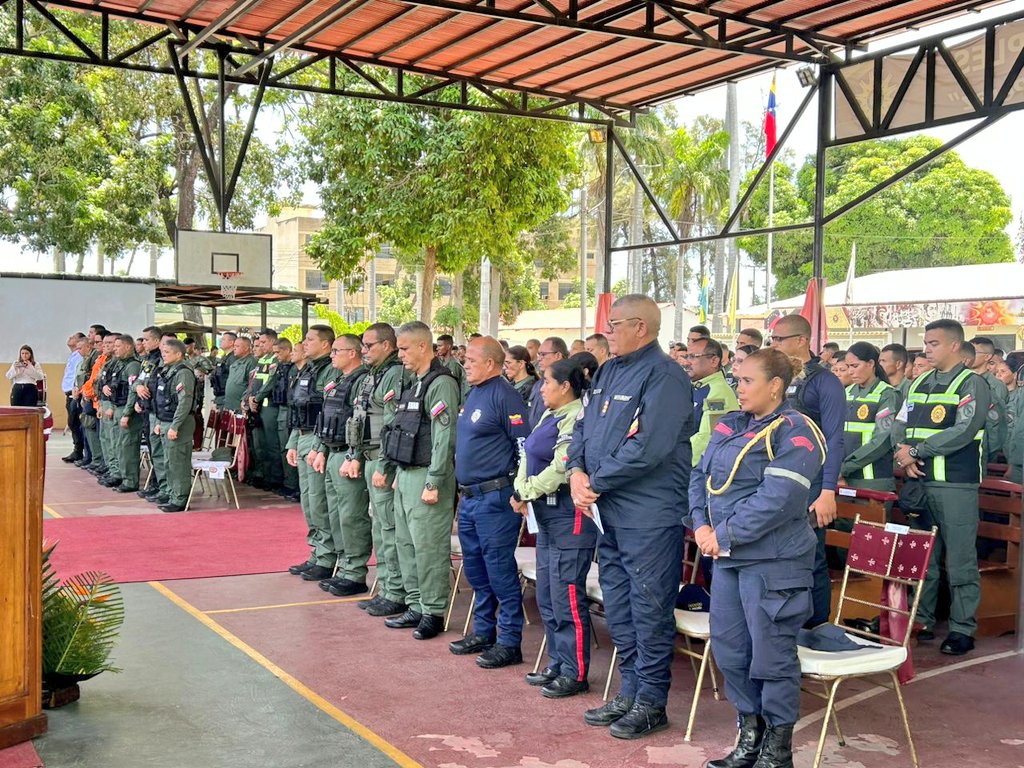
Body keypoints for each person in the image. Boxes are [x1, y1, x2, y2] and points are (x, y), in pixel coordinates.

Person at [690, 348, 826, 768]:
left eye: (747, 380)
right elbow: (700, 477)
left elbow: (778, 499)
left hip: (774, 563)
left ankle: (777, 750)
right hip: (728, 558)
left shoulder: (797, 431)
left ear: (775, 386)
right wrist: (700, 527)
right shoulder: (730, 425)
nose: (739, 388)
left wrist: (722, 535)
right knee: (732, 652)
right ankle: (749, 738)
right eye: (737, 380)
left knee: (772, 657)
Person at [567, 294, 694, 739]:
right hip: (609, 510)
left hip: (648, 513)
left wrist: (595, 481)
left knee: (649, 607)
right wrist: (576, 469)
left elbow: (650, 447)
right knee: (618, 605)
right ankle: (630, 689)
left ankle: (651, 701)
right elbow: (582, 427)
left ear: (641, 326)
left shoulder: (666, 377)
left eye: (614, 324)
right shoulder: (607, 370)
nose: (607, 332)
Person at [893, 319, 989, 656]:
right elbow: (899, 424)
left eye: (933, 343)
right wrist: (902, 453)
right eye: (926, 342)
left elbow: (964, 431)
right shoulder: (918, 382)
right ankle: (923, 619)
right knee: (923, 558)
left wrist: (917, 451)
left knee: (961, 559)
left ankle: (963, 629)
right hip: (919, 482)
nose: (926, 349)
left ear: (954, 346)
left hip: (955, 485)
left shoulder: (971, 384)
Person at [514, 359, 596, 697]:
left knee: (567, 597)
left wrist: (528, 490)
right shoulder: (550, 414)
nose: (541, 388)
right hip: (544, 515)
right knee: (547, 593)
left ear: (565, 386)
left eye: (546, 382)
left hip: (567, 515)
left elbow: (563, 466)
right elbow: (527, 454)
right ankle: (559, 662)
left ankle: (576, 671)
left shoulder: (577, 417)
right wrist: (520, 489)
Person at [450, 337, 532, 667]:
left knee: (499, 571)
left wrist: (518, 490)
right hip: (470, 498)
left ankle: (510, 641)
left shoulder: (505, 395)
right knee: (476, 570)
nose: (465, 364)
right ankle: (485, 631)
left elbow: (524, 446)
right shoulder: (476, 393)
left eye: (471, 360)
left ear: (490, 363)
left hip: (495, 498)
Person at [381, 321, 460, 640]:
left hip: (427, 475)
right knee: (406, 544)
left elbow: (445, 436)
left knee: (428, 548)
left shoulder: (441, 383)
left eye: (403, 348)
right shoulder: (414, 381)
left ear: (422, 347)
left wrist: (435, 480)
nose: (399, 355)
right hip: (406, 473)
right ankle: (415, 603)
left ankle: (433, 611)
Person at [769, 314, 845, 629]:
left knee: (810, 556)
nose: (773, 345)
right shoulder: (775, 377)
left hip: (811, 484)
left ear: (801, 340)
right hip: (775, 481)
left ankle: (816, 630)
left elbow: (835, 438)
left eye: (779, 340)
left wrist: (828, 491)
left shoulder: (824, 381)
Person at [350, 323, 410, 617]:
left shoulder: (395, 374)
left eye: (370, 345)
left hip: (383, 460)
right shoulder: (373, 375)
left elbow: (394, 425)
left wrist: (386, 464)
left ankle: (395, 591)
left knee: (388, 527)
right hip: (370, 456)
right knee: (379, 526)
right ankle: (387, 587)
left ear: (388, 345)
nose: (365, 350)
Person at [310, 334, 371, 597]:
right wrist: (321, 448)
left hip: (348, 455)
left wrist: (354, 455)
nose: (332, 355)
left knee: (351, 517)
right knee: (335, 515)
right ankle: (344, 567)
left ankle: (355, 572)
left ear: (353, 353)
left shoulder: (361, 380)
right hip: (333, 451)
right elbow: (327, 417)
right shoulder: (339, 380)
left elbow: (360, 421)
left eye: (337, 350)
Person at [286, 325, 339, 583]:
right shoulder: (308, 368)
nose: (304, 343)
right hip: (304, 435)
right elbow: (299, 410)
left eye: (310, 340)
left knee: (319, 502)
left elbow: (326, 411)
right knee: (308, 502)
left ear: (326, 345)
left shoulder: (330, 370)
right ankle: (317, 552)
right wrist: (294, 442)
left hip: (318, 440)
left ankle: (327, 556)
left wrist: (317, 446)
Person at [841, 342, 900, 495]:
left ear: (871, 363)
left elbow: (882, 439)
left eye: (855, 366)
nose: (850, 372)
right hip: (843, 478)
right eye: (848, 367)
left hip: (873, 480)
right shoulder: (846, 393)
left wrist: (846, 467)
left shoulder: (887, 394)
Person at [152, 338, 198, 513]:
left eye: (167, 352)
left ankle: (179, 498)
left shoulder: (183, 372)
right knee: (168, 461)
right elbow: (160, 399)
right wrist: (158, 422)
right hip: (166, 421)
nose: (163, 355)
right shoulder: (167, 370)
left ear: (178, 354)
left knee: (178, 462)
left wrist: (175, 426)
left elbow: (184, 402)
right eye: (163, 352)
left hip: (179, 423)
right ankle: (171, 493)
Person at [683, 337, 739, 465]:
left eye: (693, 357)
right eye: (687, 357)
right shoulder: (696, 387)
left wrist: (674, 460)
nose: (687, 362)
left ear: (714, 361)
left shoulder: (718, 392)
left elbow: (708, 437)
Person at [128, 326, 167, 502]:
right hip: (147, 409)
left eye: (146, 339)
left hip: (158, 411)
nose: (143, 342)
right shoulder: (147, 360)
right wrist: (138, 389)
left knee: (160, 452)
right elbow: (139, 381)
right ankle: (156, 483)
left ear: (157, 341)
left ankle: (162, 485)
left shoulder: (162, 359)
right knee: (154, 451)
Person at [105, 334, 143, 492]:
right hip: (117, 407)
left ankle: (130, 480)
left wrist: (127, 413)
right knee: (118, 445)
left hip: (127, 410)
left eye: (118, 346)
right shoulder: (118, 364)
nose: (115, 349)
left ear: (128, 346)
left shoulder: (132, 365)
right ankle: (121, 475)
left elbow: (132, 393)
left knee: (127, 446)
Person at [248, 330, 284, 492]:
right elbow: (253, 382)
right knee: (259, 445)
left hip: (269, 407)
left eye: (263, 342)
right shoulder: (262, 360)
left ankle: (275, 479)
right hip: (257, 407)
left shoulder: (276, 359)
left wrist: (256, 398)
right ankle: (262, 475)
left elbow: (271, 382)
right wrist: (247, 398)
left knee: (272, 445)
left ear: (272, 341)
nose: (260, 345)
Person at [968, 336, 1008, 461]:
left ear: (987, 357)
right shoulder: (965, 380)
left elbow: (997, 423)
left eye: (975, 352)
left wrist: (991, 451)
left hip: (985, 449)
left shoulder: (995, 385)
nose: (970, 355)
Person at [527, 337, 568, 429]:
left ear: (558, 355)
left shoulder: (566, 384)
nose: (539, 359)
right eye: (538, 354)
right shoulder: (538, 384)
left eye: (543, 354)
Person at [61, 334, 86, 463]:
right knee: (72, 422)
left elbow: (79, 375)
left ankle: (79, 450)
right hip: (69, 393)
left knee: (76, 423)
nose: (69, 337)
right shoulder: (73, 355)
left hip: (75, 393)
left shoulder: (80, 356)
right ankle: (77, 449)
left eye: (73, 337)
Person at [223, 335, 256, 413]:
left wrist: (245, 400)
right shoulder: (235, 363)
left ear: (246, 348)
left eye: (237, 346)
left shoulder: (251, 362)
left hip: (241, 407)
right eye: (234, 346)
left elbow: (252, 384)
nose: (234, 348)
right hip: (229, 406)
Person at [436, 333, 468, 403]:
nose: (437, 348)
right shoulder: (439, 363)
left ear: (448, 347)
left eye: (440, 346)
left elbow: (457, 387)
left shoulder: (454, 365)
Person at [209, 331, 237, 408]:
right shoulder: (224, 357)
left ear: (231, 342)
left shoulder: (233, 359)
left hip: (226, 397)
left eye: (224, 339)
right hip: (220, 395)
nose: (221, 341)